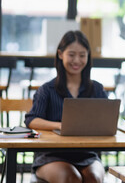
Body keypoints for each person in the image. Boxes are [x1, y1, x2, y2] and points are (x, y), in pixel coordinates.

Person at [25, 31, 107, 183]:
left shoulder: (97, 89)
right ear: (60, 54)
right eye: (72, 54)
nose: (77, 60)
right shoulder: (47, 89)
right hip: (50, 156)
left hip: (87, 155)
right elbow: (31, 120)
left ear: (88, 56)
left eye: (82, 55)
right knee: (71, 178)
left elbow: (107, 121)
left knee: (94, 178)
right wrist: (61, 126)